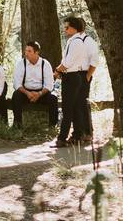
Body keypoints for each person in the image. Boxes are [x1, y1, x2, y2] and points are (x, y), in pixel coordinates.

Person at [54, 16, 89, 148]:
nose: (65, 29)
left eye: (67, 27)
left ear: (74, 28)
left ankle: (62, 138)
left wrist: (57, 71)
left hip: (72, 76)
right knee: (73, 107)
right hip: (70, 76)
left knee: (67, 108)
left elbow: (68, 63)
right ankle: (77, 135)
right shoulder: (72, 41)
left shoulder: (76, 42)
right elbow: (66, 60)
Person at [11, 41, 58, 128]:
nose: (26, 53)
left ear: (36, 52)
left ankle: (52, 126)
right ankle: (17, 125)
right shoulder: (21, 64)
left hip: (41, 93)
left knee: (53, 98)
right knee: (16, 95)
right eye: (26, 51)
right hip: (25, 92)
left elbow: (49, 85)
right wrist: (27, 93)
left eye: (29, 51)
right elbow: (17, 84)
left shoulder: (45, 64)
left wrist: (39, 94)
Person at [75, 18, 100, 144]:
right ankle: (79, 132)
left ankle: (88, 132)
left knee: (83, 103)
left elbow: (94, 61)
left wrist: (88, 76)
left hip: (84, 74)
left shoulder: (89, 41)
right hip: (74, 75)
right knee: (75, 104)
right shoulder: (73, 41)